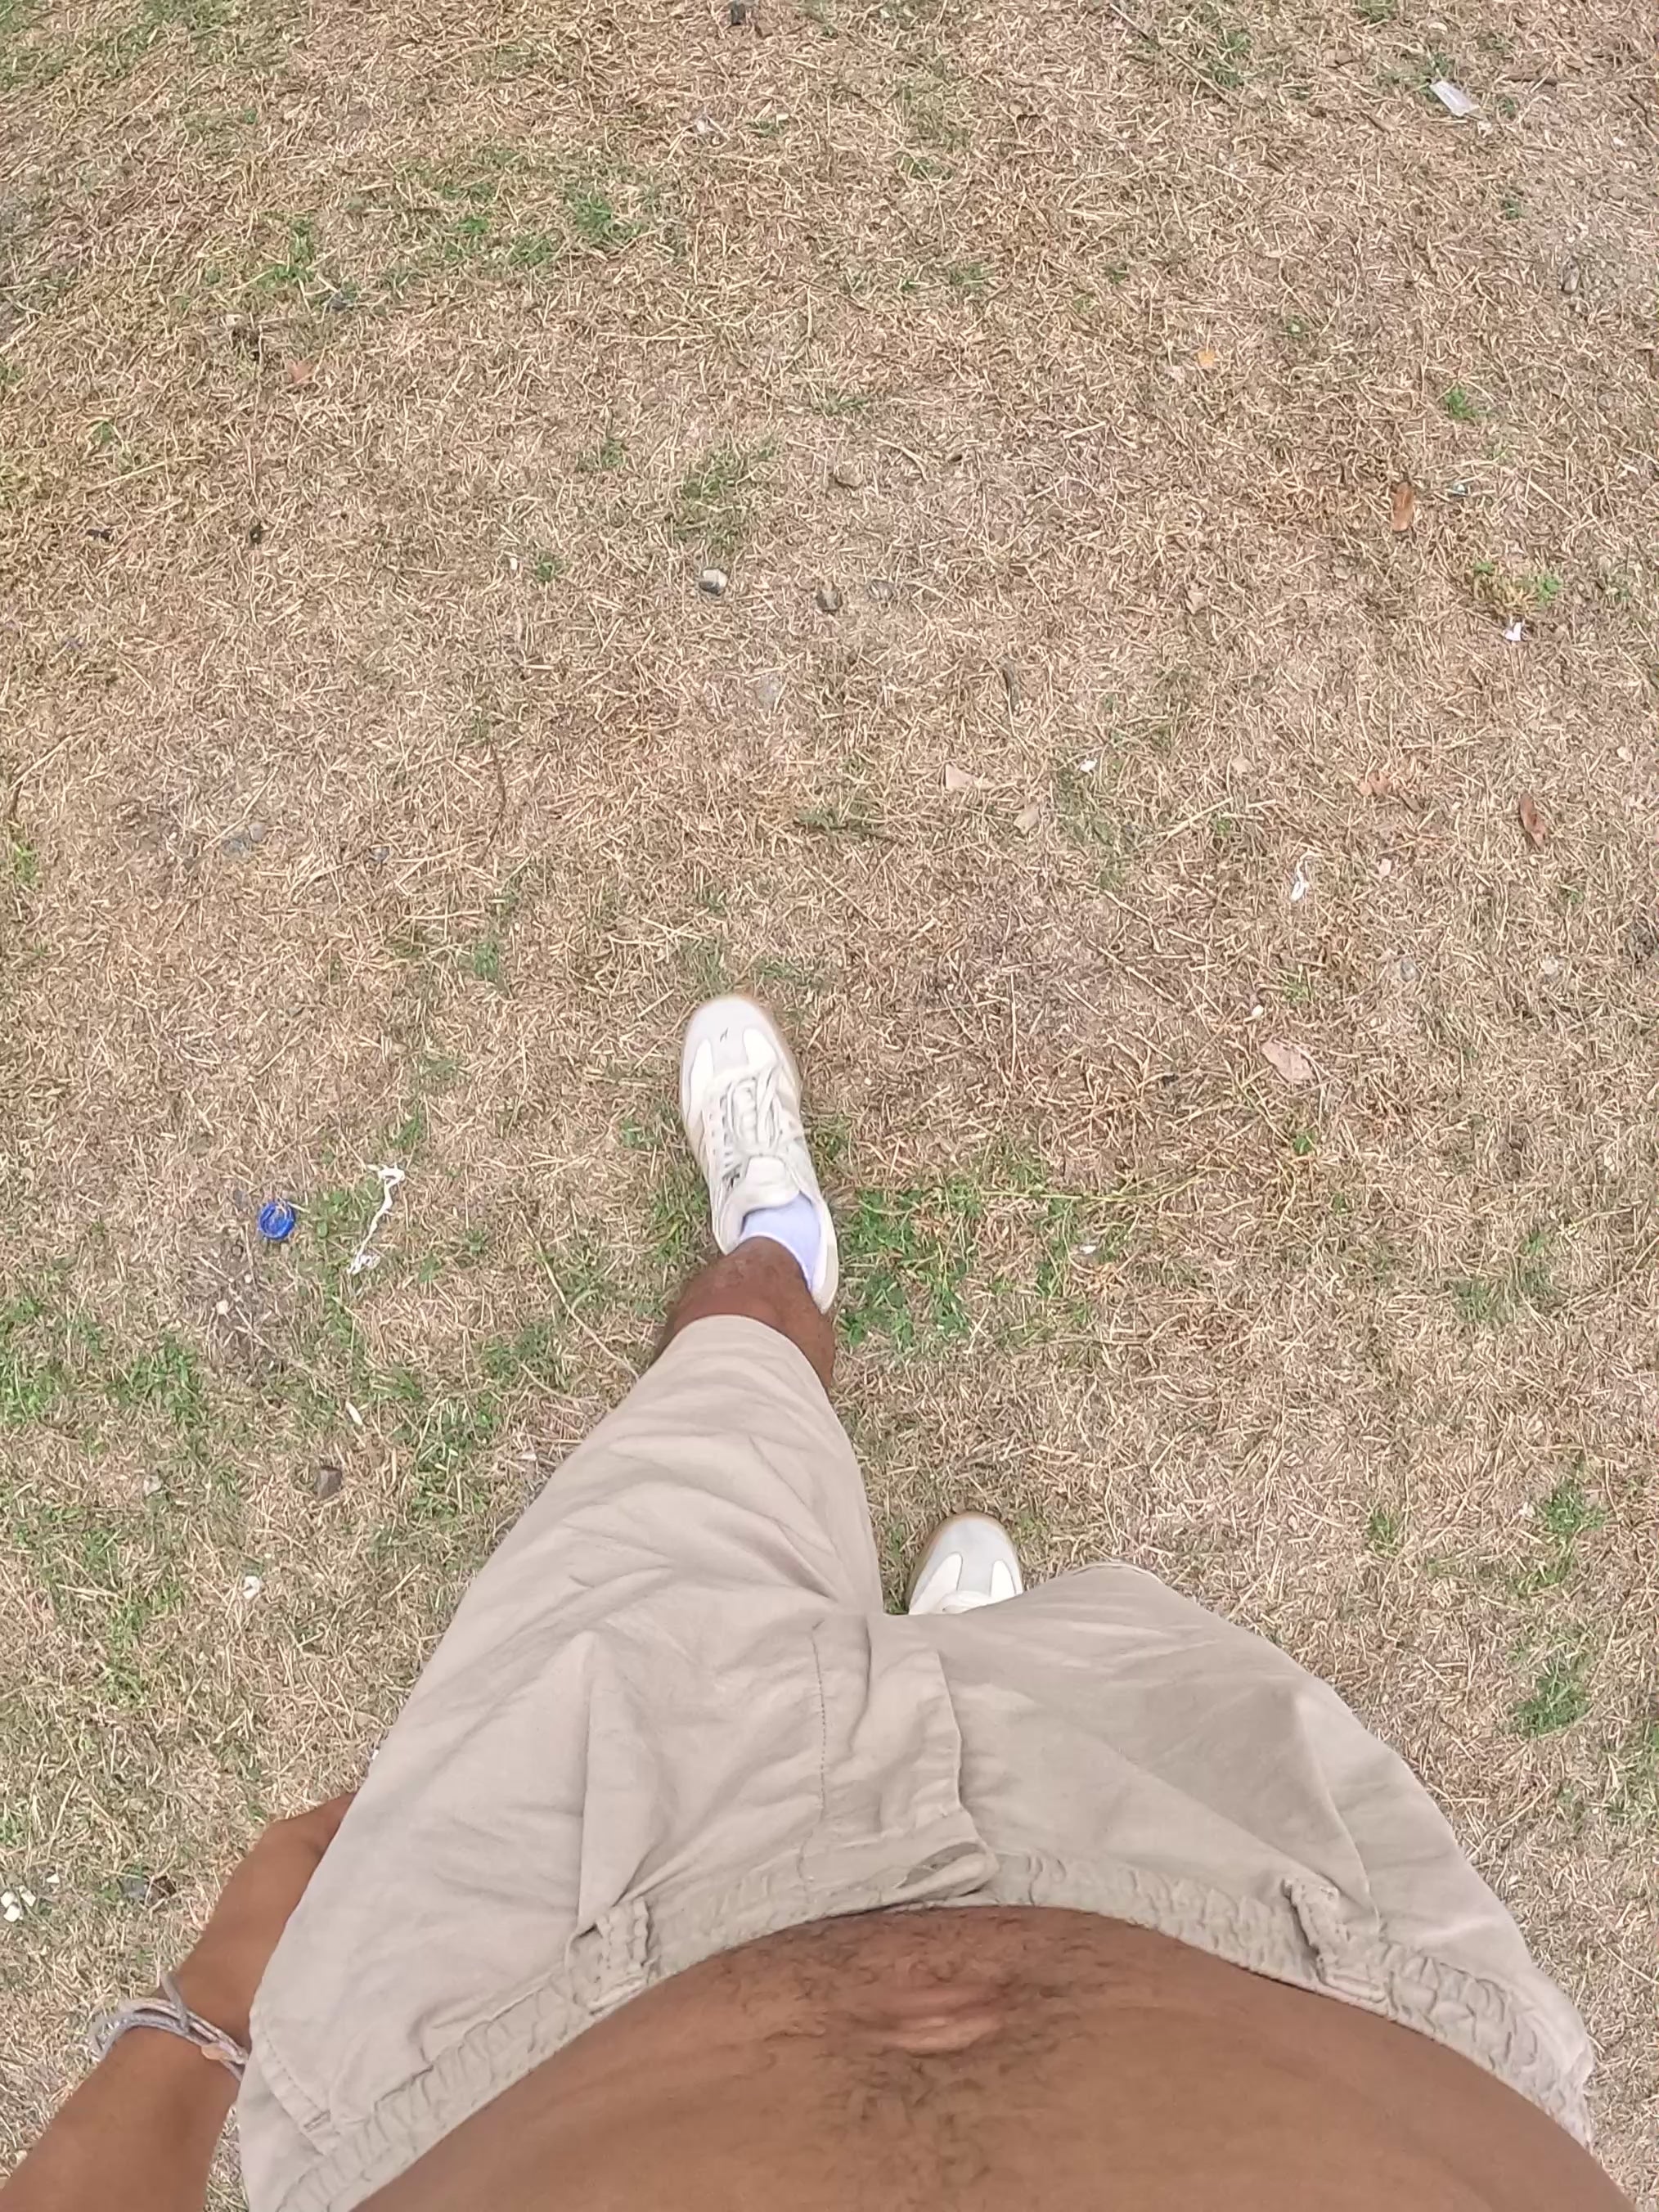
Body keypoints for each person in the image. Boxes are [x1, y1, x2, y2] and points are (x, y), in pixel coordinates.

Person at [2, 998, 1630, 2212]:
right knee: (1048, 1599)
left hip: (493, 2005)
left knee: (729, 1364)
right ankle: (923, 1589)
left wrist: (216, 1998)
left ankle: (789, 1289)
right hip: (1297, 1934)